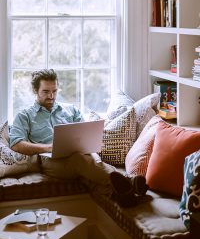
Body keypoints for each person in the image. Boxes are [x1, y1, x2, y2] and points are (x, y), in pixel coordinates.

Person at [9, 69, 148, 207]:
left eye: (55, 91)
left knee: (87, 163)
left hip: (81, 154)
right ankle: (129, 182)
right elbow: (16, 144)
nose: (51, 96)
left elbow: (85, 133)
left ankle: (124, 197)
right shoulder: (24, 115)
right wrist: (48, 147)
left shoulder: (71, 110)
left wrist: (91, 143)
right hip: (50, 161)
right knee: (80, 160)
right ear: (35, 90)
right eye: (46, 92)